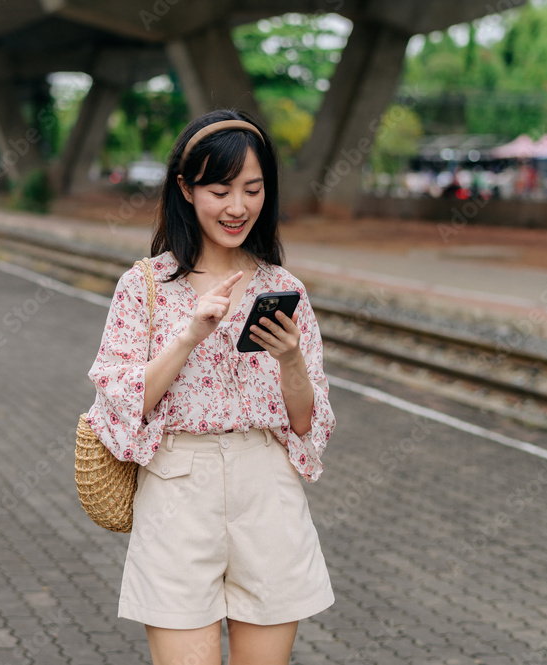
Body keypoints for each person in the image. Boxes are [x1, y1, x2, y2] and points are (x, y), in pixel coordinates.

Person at [85, 109, 336, 665]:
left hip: (267, 488)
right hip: (178, 487)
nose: (238, 207)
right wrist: (189, 334)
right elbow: (121, 404)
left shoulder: (283, 287)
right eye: (220, 190)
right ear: (185, 188)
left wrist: (291, 358)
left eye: (253, 189)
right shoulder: (144, 285)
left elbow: (306, 424)